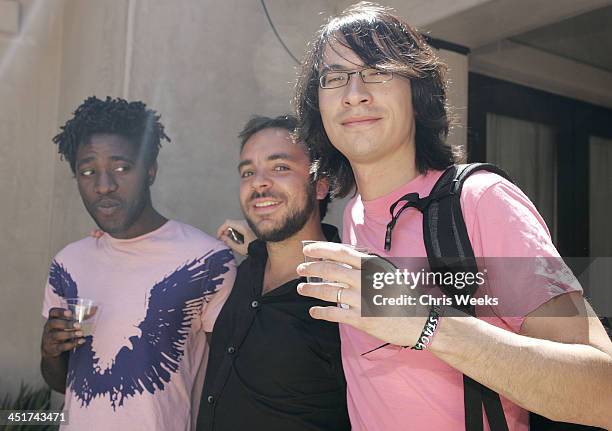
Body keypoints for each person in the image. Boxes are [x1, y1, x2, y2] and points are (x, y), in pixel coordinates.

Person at [293, 2, 612, 430]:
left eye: (377, 70)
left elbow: (602, 393)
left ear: (417, 92)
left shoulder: (480, 202)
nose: (354, 93)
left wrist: (427, 324)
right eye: (334, 78)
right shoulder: (352, 216)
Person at [40, 96, 236, 431]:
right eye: (88, 171)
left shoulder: (207, 261)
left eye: (121, 168)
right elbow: (61, 382)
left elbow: (229, 383)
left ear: (150, 170)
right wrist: (51, 351)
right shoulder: (68, 263)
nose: (104, 186)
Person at [195, 115, 350, 431]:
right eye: (248, 172)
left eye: (280, 167)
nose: (258, 182)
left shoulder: (348, 288)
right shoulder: (243, 272)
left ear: (321, 184)